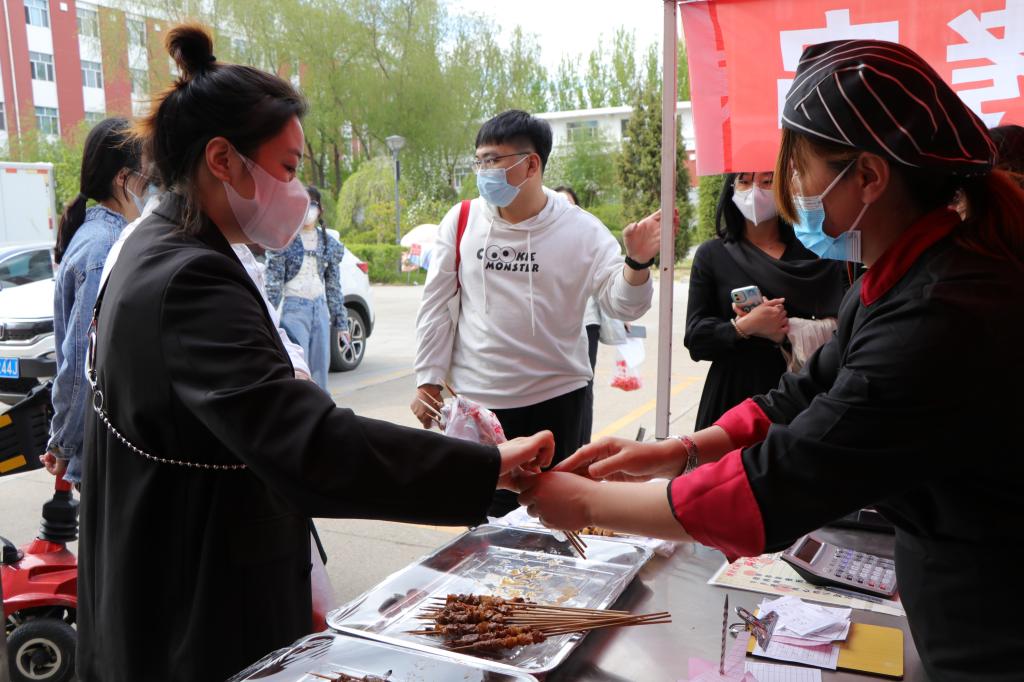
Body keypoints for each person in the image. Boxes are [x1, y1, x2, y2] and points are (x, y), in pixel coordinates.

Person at [520, 39, 1024, 680]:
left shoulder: (942, 311)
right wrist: (680, 451)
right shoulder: (899, 279)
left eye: (797, 172)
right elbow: (803, 394)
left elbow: (784, 478)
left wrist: (590, 506)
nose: (789, 194)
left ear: (869, 178)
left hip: (997, 624)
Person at [78, 25, 553, 682]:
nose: (297, 192)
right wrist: (484, 467)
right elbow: (308, 443)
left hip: (167, 569)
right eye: (288, 168)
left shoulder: (156, 244)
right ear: (222, 159)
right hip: (196, 602)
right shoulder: (189, 277)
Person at [411, 110, 666, 517]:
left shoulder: (582, 230)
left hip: (557, 401)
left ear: (531, 164)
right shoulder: (461, 220)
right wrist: (428, 380)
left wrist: (636, 263)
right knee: (481, 518)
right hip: (478, 403)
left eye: (494, 160)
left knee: (555, 517)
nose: (484, 172)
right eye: (479, 161)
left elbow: (623, 305)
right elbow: (437, 305)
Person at [685, 171, 848, 429]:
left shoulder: (815, 252)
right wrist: (744, 327)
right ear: (731, 188)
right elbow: (696, 339)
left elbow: (845, 329)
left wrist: (785, 332)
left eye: (767, 181)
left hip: (801, 397)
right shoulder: (713, 254)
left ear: (784, 188)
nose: (755, 191)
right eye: (744, 181)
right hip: (733, 397)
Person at [40, 117, 145, 484]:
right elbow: (83, 362)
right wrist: (62, 444)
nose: (151, 187)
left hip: (106, 449)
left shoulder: (97, 237)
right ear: (123, 178)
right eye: (146, 176)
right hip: (105, 453)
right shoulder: (105, 247)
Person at [553, 184, 627, 444]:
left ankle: (581, 445)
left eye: (570, 205)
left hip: (586, 321)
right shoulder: (540, 240)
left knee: (582, 386)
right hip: (552, 326)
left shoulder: (586, 238)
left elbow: (610, 281)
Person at [265, 185, 349, 390]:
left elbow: (333, 286)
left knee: (321, 372)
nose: (308, 210)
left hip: (320, 308)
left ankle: (324, 408)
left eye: (312, 205)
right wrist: (266, 319)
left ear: (320, 209)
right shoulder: (284, 240)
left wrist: (341, 324)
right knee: (298, 371)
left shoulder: (329, 243)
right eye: (303, 205)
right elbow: (273, 284)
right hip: (294, 310)